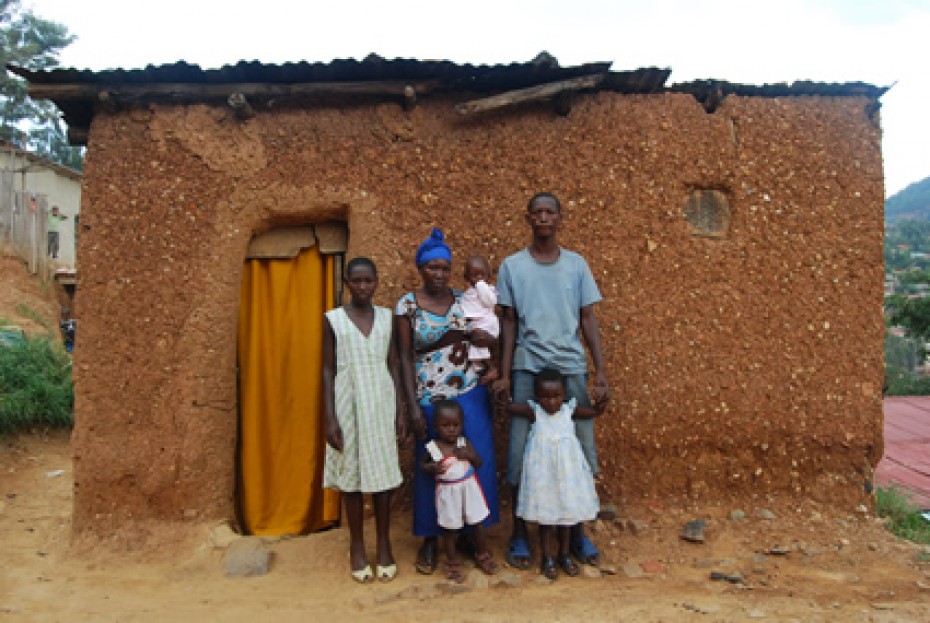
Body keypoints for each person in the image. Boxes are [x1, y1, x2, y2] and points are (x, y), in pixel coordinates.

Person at [494, 192, 611, 569]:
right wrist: (506, 372)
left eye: (551, 212)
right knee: (518, 453)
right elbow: (508, 323)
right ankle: (518, 532)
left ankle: (576, 532)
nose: (544, 217)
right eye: (538, 212)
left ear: (560, 218)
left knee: (580, 451)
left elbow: (587, 318)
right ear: (527, 217)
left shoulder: (576, 265)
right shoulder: (512, 266)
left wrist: (601, 372)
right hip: (528, 367)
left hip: (571, 367)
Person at [396, 228, 500, 575]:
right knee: (433, 470)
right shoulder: (406, 306)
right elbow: (402, 357)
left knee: (474, 462)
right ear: (421, 269)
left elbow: (488, 329)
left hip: (470, 393)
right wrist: (411, 406)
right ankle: (430, 538)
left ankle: (475, 534)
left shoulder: (464, 300)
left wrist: (492, 356)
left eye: (444, 268)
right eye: (432, 268)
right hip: (429, 399)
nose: (439, 274)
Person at [322, 257, 405, 584]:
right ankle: (357, 545)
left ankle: (383, 544)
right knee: (352, 478)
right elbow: (327, 370)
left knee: (382, 476)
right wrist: (329, 418)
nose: (362, 287)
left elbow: (395, 365)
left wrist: (399, 410)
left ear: (376, 282)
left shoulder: (386, 318)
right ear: (346, 282)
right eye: (355, 281)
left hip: (380, 402)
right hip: (347, 404)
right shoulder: (333, 320)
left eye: (368, 281)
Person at [508, 368, 602, 580]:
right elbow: (510, 408)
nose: (551, 402)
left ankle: (564, 554)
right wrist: (498, 396)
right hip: (544, 477)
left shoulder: (569, 410)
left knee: (567, 516)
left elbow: (593, 413)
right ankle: (547, 556)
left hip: (567, 475)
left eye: (556, 396)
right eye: (545, 397)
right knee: (547, 519)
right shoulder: (535, 412)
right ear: (536, 396)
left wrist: (600, 405)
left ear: (564, 395)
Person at [420, 400, 501, 582]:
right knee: (450, 530)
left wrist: (470, 455)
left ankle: (483, 555)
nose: (451, 430)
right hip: (449, 494)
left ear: (462, 425)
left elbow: (479, 463)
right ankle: (452, 563)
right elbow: (422, 466)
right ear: (436, 426)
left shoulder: (464, 443)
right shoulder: (433, 447)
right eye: (445, 425)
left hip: (470, 490)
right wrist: (432, 467)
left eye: (456, 425)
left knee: (478, 524)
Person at [460, 255, 500, 383]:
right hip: (478, 323)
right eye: (474, 275)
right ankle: (483, 368)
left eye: (482, 275)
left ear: (488, 275)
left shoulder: (486, 290)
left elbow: (490, 302)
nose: (478, 279)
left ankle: (491, 368)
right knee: (476, 346)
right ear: (466, 277)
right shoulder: (468, 293)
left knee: (479, 342)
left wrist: (481, 286)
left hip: (487, 323)